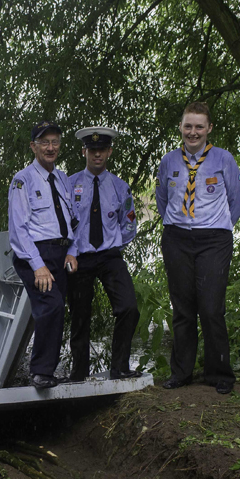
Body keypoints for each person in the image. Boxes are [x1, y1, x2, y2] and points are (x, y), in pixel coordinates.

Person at [155, 102, 240, 395]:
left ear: (209, 129)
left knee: (210, 308)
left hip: (213, 240)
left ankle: (219, 372)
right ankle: (181, 373)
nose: (193, 132)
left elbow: (237, 201)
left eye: (199, 126)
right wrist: (178, 224)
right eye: (188, 126)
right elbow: (161, 200)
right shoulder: (168, 161)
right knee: (182, 309)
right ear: (181, 128)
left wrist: (217, 226)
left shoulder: (223, 159)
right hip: (177, 238)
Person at [67, 127, 141, 381]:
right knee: (79, 315)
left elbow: (129, 223)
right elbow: (62, 223)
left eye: (102, 150)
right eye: (92, 150)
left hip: (109, 255)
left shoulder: (120, 187)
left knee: (129, 308)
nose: (97, 155)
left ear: (109, 151)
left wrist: (116, 246)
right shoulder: (69, 184)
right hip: (79, 257)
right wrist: (70, 252)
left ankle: (119, 367)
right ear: (84, 151)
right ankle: (78, 373)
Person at [8, 121, 78, 389]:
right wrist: (37, 265)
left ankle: (46, 371)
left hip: (61, 252)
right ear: (33, 146)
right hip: (35, 253)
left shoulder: (62, 179)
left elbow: (74, 221)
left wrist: (72, 251)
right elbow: (18, 229)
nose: (50, 148)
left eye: (55, 142)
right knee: (51, 305)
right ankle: (39, 372)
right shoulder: (22, 180)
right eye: (44, 142)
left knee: (58, 309)